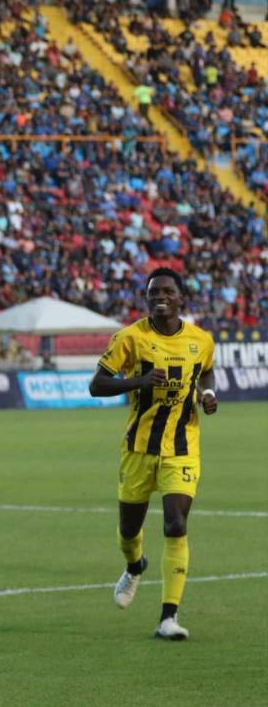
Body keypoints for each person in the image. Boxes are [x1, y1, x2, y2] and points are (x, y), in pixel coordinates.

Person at [89, 268, 217, 641]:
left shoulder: (201, 340)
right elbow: (97, 384)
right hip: (139, 448)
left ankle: (168, 617)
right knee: (130, 530)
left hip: (182, 448)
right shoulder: (130, 338)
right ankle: (134, 566)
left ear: (181, 299)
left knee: (176, 523)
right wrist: (139, 381)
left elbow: (206, 372)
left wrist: (207, 395)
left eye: (166, 291)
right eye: (153, 293)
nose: (160, 297)